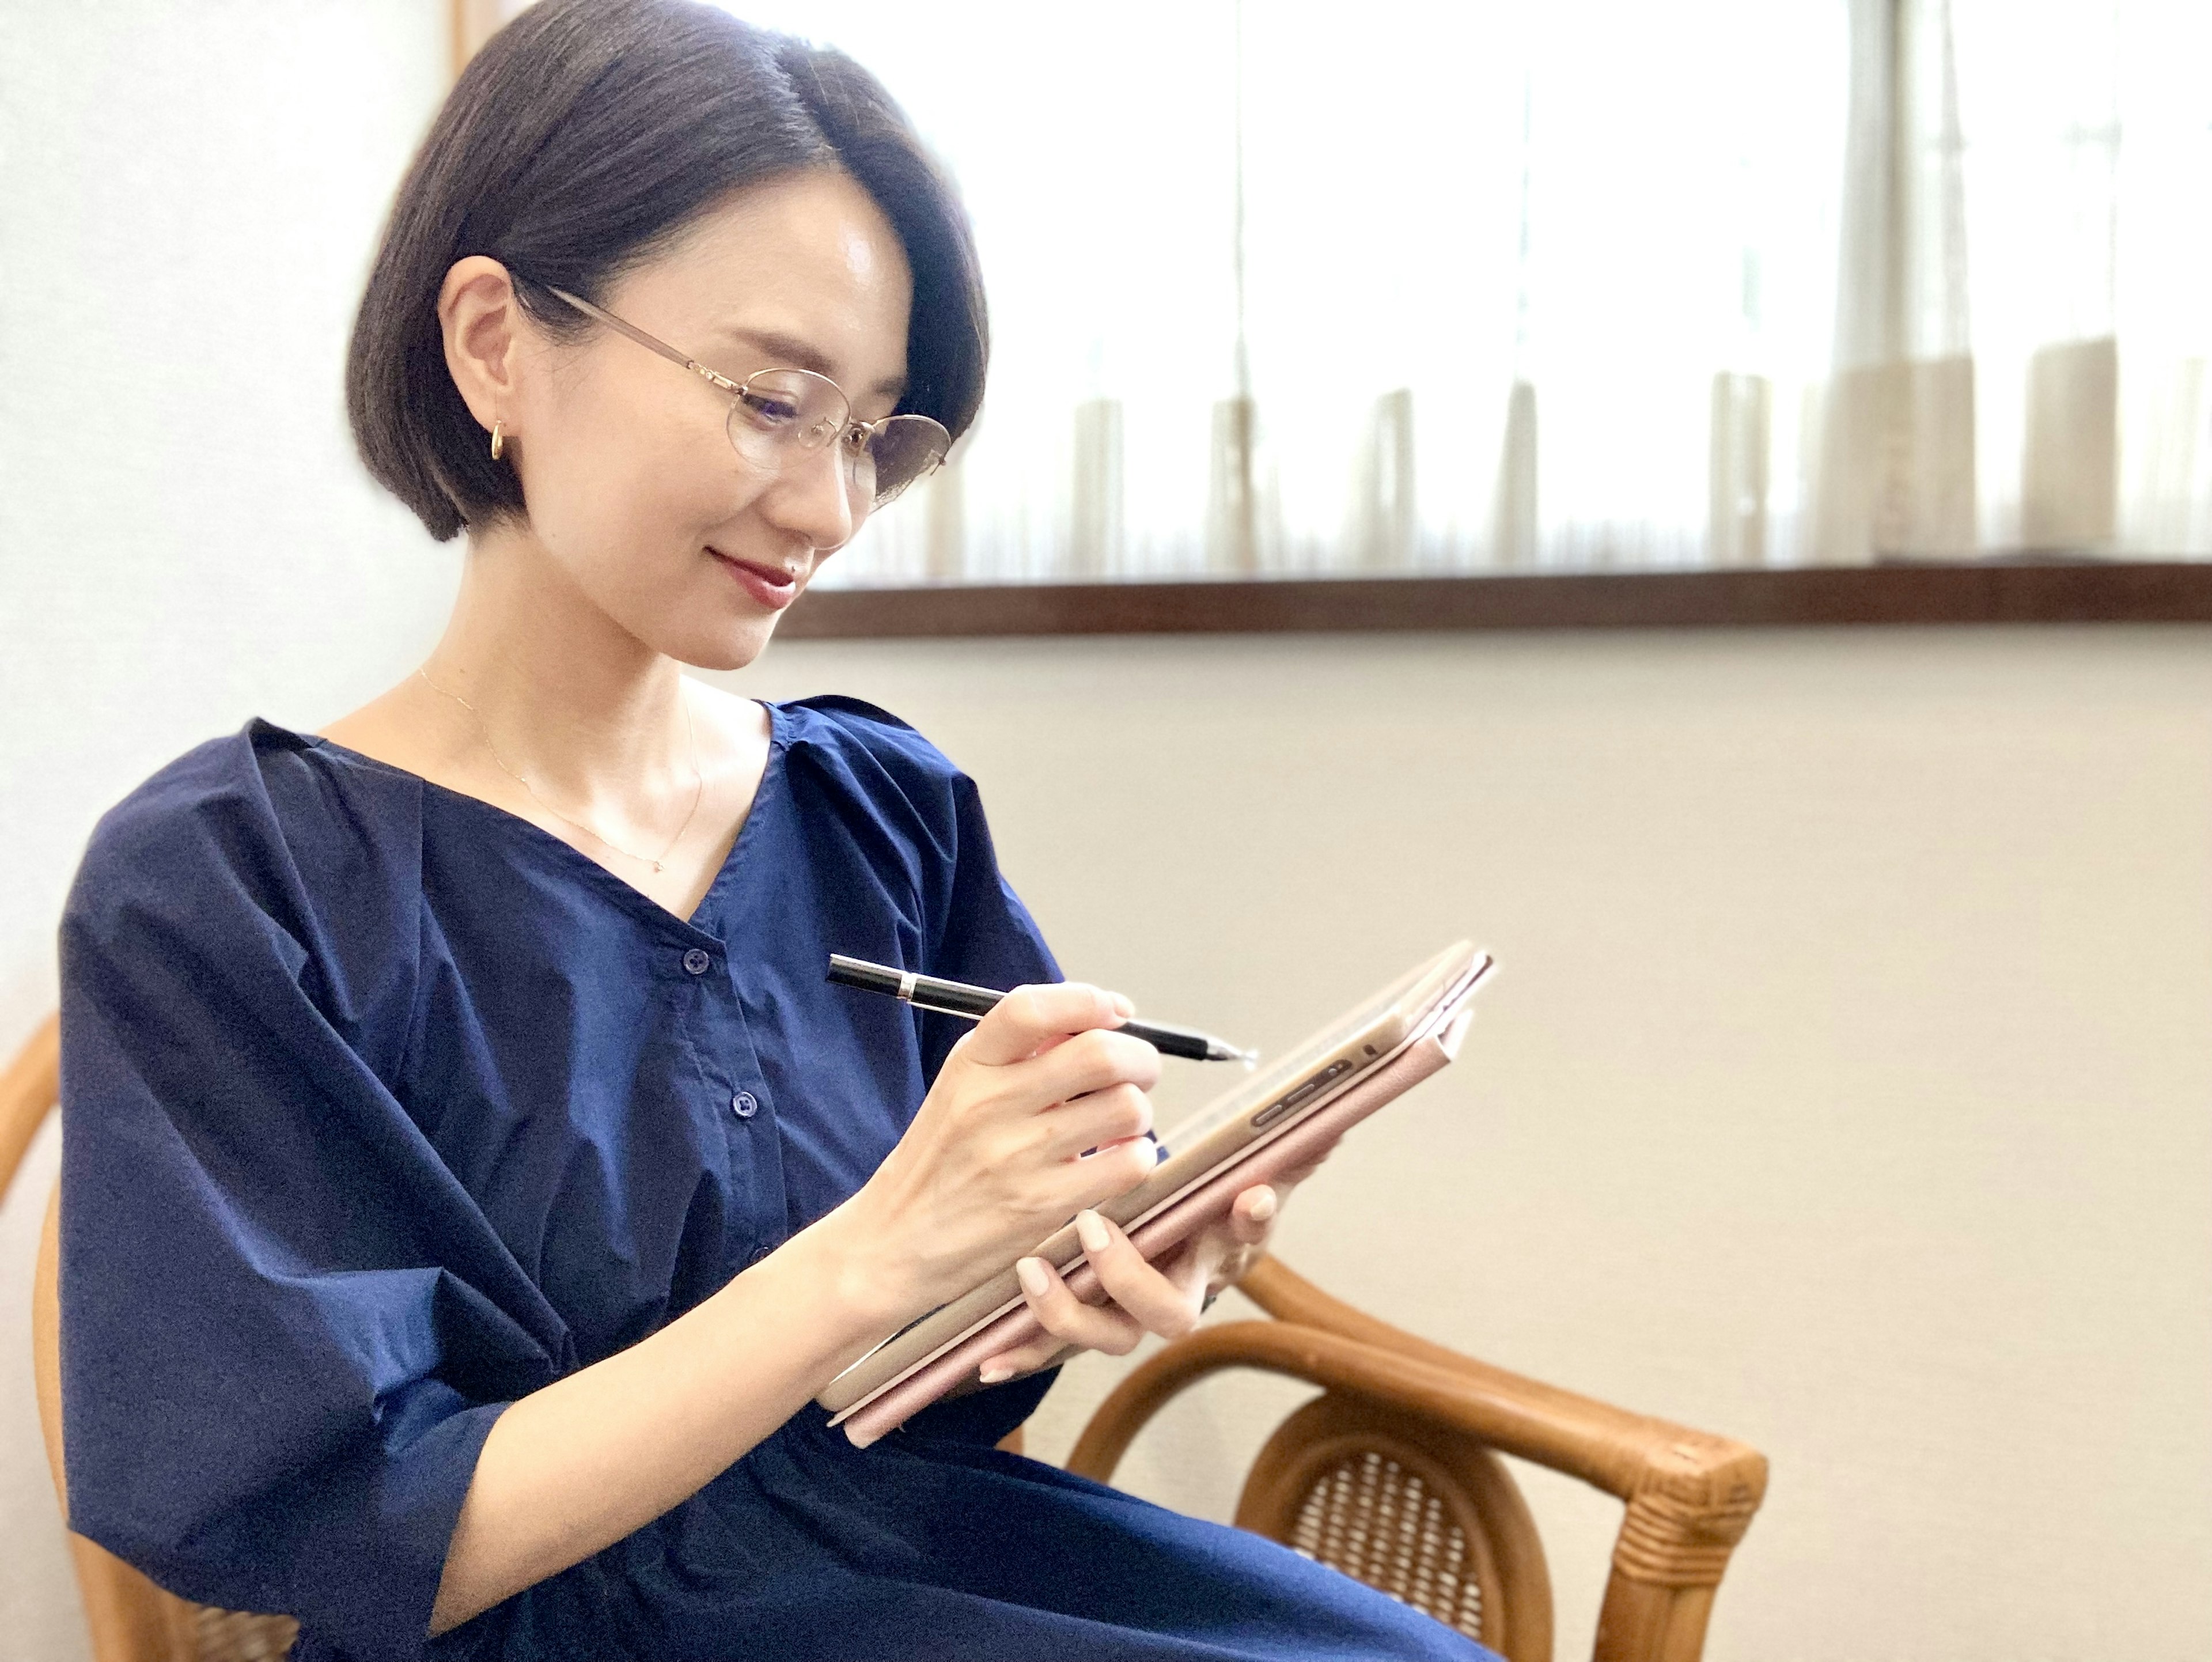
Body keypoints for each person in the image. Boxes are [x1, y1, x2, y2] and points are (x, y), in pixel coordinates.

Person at [56, 3, 1495, 1658]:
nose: (828, 510)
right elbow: (365, 1540)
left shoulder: (879, 807)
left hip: (921, 1565)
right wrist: (879, 1253)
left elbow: (940, 1367)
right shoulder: (236, 886)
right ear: (494, 342)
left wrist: (1083, 1275)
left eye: (877, 431)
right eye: (767, 399)